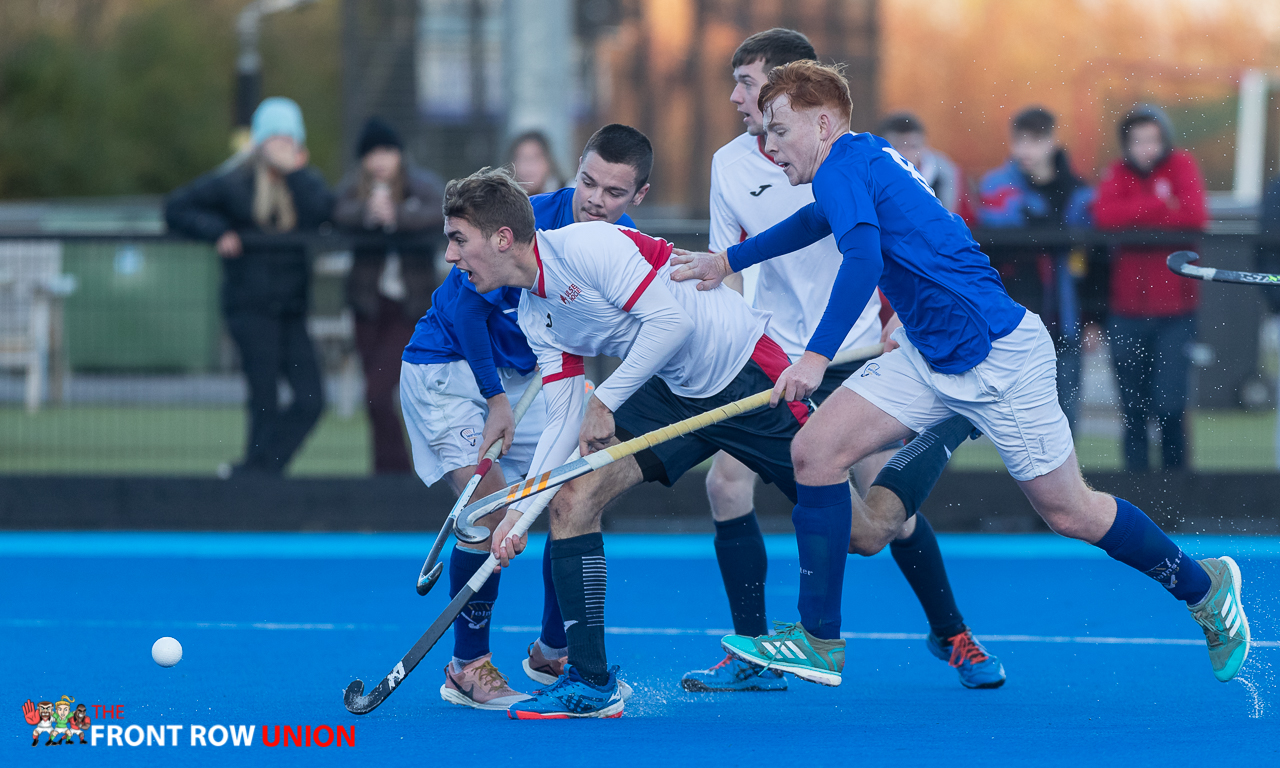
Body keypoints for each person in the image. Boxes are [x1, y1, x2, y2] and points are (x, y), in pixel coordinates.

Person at [671, 61, 1248, 688]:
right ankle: (819, 640)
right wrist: (728, 257)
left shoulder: (844, 165)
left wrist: (813, 357)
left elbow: (861, 259)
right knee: (814, 453)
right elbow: (819, 223)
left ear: (823, 122)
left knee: (1072, 514)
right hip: (929, 354)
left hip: (998, 358)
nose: (769, 143)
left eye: (780, 130)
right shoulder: (860, 157)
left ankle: (1204, 586)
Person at [449, 166, 966, 719]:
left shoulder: (587, 245)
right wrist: (520, 516)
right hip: (671, 388)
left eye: (459, 239)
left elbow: (670, 323)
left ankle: (946, 426)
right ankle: (591, 682)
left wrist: (605, 400)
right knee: (573, 498)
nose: (452, 256)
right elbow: (561, 420)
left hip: (746, 371)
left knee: (864, 535)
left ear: (503, 239)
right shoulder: (535, 312)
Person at [689, 27, 1003, 694]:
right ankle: (754, 651)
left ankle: (951, 633)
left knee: (885, 517)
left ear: (791, 91)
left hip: (855, 350)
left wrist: (898, 322)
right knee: (725, 484)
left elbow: (905, 243)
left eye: (749, 83)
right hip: (773, 355)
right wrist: (736, 348)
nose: (738, 97)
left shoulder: (855, 157)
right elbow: (731, 266)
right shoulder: (728, 164)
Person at [399, 124, 648, 710]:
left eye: (614, 193)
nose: (596, 200)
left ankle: (555, 650)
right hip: (450, 373)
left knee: (576, 494)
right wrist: (495, 400)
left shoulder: (624, 241)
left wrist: (595, 395)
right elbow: (464, 310)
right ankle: (467, 664)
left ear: (636, 197)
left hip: (528, 380)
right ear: (576, 170)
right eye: (588, 182)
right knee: (496, 506)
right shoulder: (525, 223)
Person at [166, 97, 334, 477]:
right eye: (273, 138)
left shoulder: (304, 184)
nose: (280, 145)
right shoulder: (234, 181)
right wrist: (218, 231)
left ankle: (258, 472)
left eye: (287, 138)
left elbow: (326, 210)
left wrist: (294, 172)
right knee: (264, 399)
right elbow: (176, 207)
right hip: (249, 307)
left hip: (291, 310)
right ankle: (256, 482)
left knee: (311, 399)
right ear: (258, 143)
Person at [1094, 105, 1207, 472]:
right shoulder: (1115, 173)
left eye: (1153, 139)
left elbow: (1194, 216)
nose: (1146, 148)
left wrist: (1135, 215)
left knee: (1171, 406)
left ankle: (1178, 491)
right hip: (1126, 311)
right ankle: (1138, 495)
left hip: (1176, 311)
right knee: (1133, 409)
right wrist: (1159, 202)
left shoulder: (1183, 166)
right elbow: (1105, 217)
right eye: (1137, 140)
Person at [334, 117, 445, 474]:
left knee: (379, 391)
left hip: (409, 309)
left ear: (399, 154)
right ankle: (385, 474)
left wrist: (396, 216)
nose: (380, 160)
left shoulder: (421, 185)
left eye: (387, 151)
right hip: (368, 306)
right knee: (374, 397)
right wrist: (369, 214)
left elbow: (441, 211)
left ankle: (396, 476)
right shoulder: (354, 189)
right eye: (372, 153)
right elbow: (336, 212)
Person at [979, 107, 1095, 428]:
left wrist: (1092, 319)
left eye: (1035, 141)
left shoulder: (1079, 191)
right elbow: (995, 235)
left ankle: (1066, 480)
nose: (1026, 150)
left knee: (1065, 416)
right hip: (1013, 321)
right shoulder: (996, 185)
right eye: (1020, 141)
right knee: (1016, 421)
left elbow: (1092, 261)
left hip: (1065, 318)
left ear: (1053, 142)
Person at [878, 112, 975, 222]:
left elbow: (963, 223)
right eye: (897, 146)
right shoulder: (870, 175)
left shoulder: (948, 175)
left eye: (912, 146)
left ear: (924, 146)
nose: (905, 153)